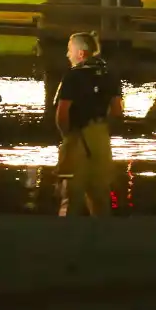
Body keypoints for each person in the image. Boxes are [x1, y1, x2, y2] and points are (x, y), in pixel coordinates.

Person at [54, 32, 123, 217]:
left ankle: (66, 237)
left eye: (70, 50)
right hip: (101, 137)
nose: (68, 55)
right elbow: (117, 111)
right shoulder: (109, 75)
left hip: (77, 137)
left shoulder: (72, 77)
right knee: (100, 193)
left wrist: (67, 137)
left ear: (81, 53)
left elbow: (62, 113)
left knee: (70, 194)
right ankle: (101, 238)